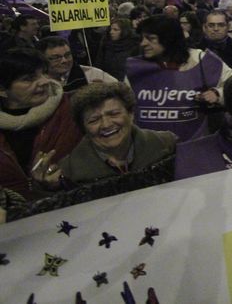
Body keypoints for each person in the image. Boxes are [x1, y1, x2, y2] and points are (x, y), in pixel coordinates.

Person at [31, 82, 176, 189]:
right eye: (94, 120)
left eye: (114, 114)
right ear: (84, 128)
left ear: (131, 114)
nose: (106, 125)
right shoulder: (67, 172)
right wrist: (46, 188)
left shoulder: (167, 144)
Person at [125, 15, 232, 141]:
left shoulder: (201, 60)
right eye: (143, 38)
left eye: (151, 39)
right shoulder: (137, 66)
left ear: (168, 39)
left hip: (194, 146)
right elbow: (125, 104)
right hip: (148, 148)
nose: (143, 43)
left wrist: (217, 94)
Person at [0, 49, 82, 199]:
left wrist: (58, 184)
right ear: (3, 91)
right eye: (29, 79)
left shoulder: (75, 107)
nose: (44, 81)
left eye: (44, 73)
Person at [39, 36, 118, 93]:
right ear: (43, 59)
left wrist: (108, 92)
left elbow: (122, 90)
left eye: (67, 55)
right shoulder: (36, 83)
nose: (64, 60)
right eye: (56, 57)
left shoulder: (92, 74)